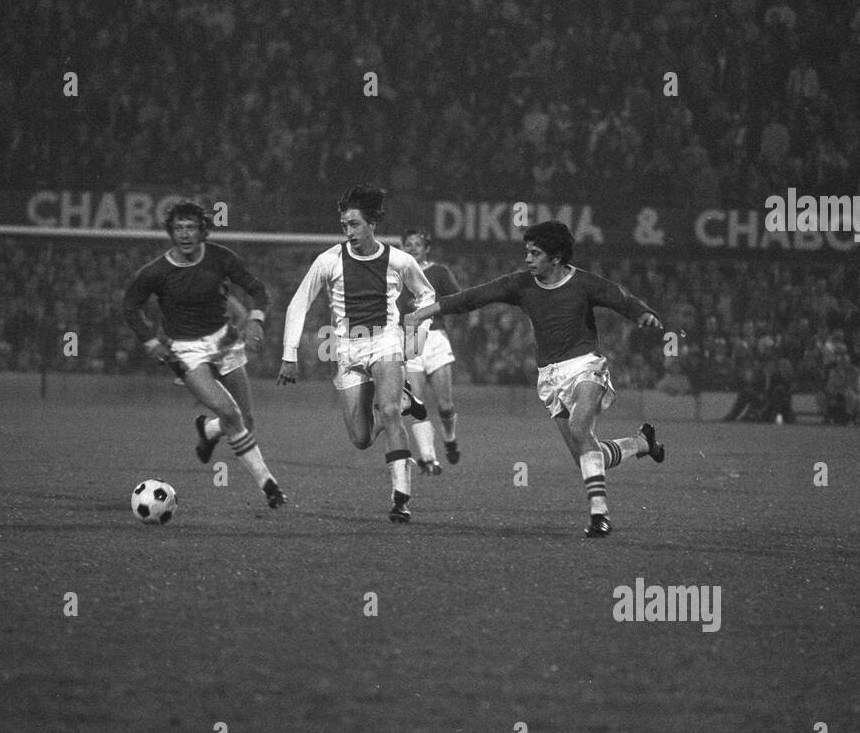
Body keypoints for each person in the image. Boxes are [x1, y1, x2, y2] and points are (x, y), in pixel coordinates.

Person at [405, 221, 666, 538]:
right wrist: (423, 312)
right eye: (527, 252)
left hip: (587, 366)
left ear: (555, 258)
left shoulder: (583, 283)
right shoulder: (521, 284)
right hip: (550, 377)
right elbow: (473, 297)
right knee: (584, 454)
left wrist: (643, 313)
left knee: (581, 429)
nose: (528, 259)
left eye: (535, 253)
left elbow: (620, 297)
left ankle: (600, 516)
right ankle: (641, 443)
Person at [278, 185, 433, 523]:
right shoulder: (329, 260)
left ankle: (401, 498)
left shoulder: (399, 260)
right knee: (361, 438)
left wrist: (414, 337)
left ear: (372, 223)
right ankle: (408, 401)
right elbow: (298, 304)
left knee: (389, 411)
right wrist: (289, 354)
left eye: (354, 224)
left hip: (385, 342)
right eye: (345, 225)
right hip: (345, 348)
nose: (348, 231)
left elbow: (426, 296)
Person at [123, 201, 286, 507]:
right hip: (186, 351)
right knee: (231, 413)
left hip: (224, 342)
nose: (185, 234)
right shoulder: (156, 271)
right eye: (179, 228)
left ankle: (208, 429)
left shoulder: (221, 258)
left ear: (202, 231)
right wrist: (149, 341)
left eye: (191, 227)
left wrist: (255, 319)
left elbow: (258, 290)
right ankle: (269, 485)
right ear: (172, 232)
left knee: (246, 421)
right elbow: (130, 306)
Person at [395, 228, 462, 474]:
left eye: (417, 244)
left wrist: (432, 309)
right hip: (411, 339)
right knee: (417, 403)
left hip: (435, 338)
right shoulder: (396, 275)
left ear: (427, 248)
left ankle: (450, 437)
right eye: (408, 243)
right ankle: (428, 458)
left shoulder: (439, 272)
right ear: (402, 247)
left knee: (445, 405)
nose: (412, 247)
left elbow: (457, 299)